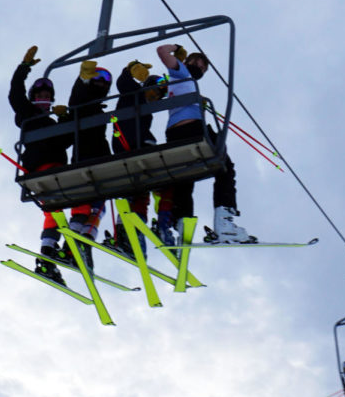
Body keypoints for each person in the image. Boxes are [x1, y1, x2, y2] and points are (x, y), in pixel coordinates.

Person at [154, 43, 253, 245]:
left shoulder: (182, 81)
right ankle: (224, 221)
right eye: (200, 64)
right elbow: (162, 52)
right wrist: (176, 47)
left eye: (204, 69)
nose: (201, 69)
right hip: (193, 129)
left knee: (185, 177)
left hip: (174, 133)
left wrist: (197, 100)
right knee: (225, 166)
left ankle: (182, 222)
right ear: (190, 61)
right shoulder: (181, 71)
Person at [8, 45, 73, 285]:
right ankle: (53, 256)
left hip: (57, 169)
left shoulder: (52, 122)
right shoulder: (28, 114)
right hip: (42, 167)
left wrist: (66, 119)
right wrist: (23, 68)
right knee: (56, 209)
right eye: (40, 96)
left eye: (47, 96)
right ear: (35, 98)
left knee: (55, 211)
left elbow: (69, 139)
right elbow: (15, 94)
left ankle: (48, 259)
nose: (44, 98)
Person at [103, 59, 166, 257]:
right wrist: (129, 69)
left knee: (137, 192)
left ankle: (130, 236)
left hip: (135, 145)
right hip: (128, 142)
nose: (155, 97)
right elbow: (123, 82)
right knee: (135, 189)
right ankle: (127, 235)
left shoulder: (147, 109)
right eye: (154, 92)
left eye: (159, 96)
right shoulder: (133, 94)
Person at [61, 61, 114, 268]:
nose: (101, 83)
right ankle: (72, 244)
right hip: (85, 157)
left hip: (99, 157)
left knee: (96, 206)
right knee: (83, 206)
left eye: (105, 81)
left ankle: (82, 243)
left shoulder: (98, 108)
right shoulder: (82, 104)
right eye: (97, 78)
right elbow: (75, 100)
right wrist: (82, 79)